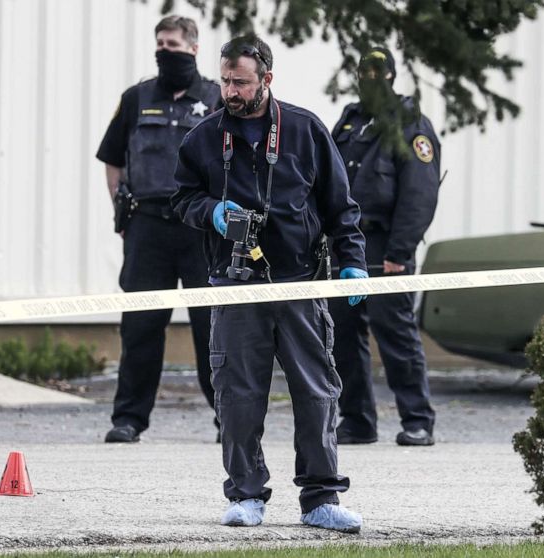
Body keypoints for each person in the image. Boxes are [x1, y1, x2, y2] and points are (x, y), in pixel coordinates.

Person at [171, 35, 369, 532]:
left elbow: (340, 206)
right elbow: (180, 199)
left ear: (267, 80)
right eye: (225, 80)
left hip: (301, 283)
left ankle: (321, 498)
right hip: (235, 286)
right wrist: (211, 212)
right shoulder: (203, 137)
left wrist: (354, 261)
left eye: (240, 81)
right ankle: (245, 495)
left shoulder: (304, 130)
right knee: (238, 395)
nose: (231, 90)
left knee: (317, 392)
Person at [95, 15, 222, 444]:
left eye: (173, 45)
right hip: (148, 225)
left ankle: (228, 416)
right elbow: (113, 157)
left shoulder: (217, 98)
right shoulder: (136, 98)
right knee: (141, 326)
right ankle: (129, 418)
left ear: (194, 48)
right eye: (160, 45)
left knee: (214, 326)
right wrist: (121, 207)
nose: (165, 52)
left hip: (201, 227)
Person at [328, 48, 441, 446]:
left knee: (395, 333)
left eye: (378, 72)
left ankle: (417, 419)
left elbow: (419, 195)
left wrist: (400, 251)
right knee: (342, 333)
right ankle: (357, 419)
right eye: (363, 71)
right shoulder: (349, 122)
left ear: (392, 76)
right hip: (347, 244)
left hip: (385, 246)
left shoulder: (411, 125)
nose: (370, 79)